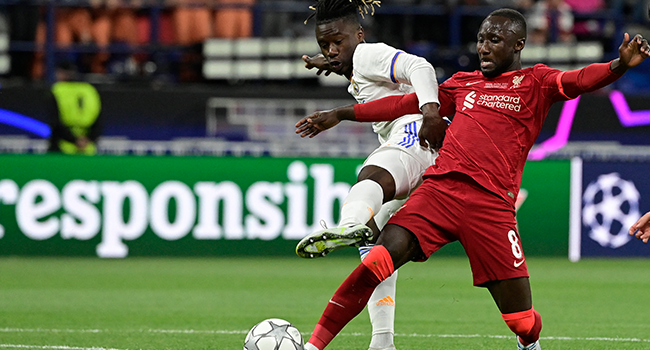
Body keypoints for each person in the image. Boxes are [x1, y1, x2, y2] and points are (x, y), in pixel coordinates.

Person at [295, 8, 650, 350]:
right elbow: (401, 105)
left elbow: (580, 79)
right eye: (481, 39)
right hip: (439, 193)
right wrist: (340, 113)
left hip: (491, 207)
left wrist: (618, 66)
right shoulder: (462, 84)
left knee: (521, 320)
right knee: (375, 260)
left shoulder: (536, 82)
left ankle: (529, 343)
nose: (483, 47)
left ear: (518, 45)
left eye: (494, 39)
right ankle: (314, 346)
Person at [295, 1, 444, 349]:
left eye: (338, 42)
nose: (331, 50)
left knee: (374, 173)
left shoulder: (366, 55)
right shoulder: (354, 61)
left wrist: (431, 112)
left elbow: (419, 66)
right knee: (376, 247)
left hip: (416, 129)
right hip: (431, 148)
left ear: (359, 35)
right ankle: (382, 341)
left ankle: (348, 223)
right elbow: (353, 65)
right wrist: (331, 64)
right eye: (323, 46)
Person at [48, 62, 102, 155]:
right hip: (87, 148)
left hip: (62, 146)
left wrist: (74, 140)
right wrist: (87, 139)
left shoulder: (57, 90)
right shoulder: (89, 90)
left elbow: (55, 121)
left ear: (61, 73)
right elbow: (99, 121)